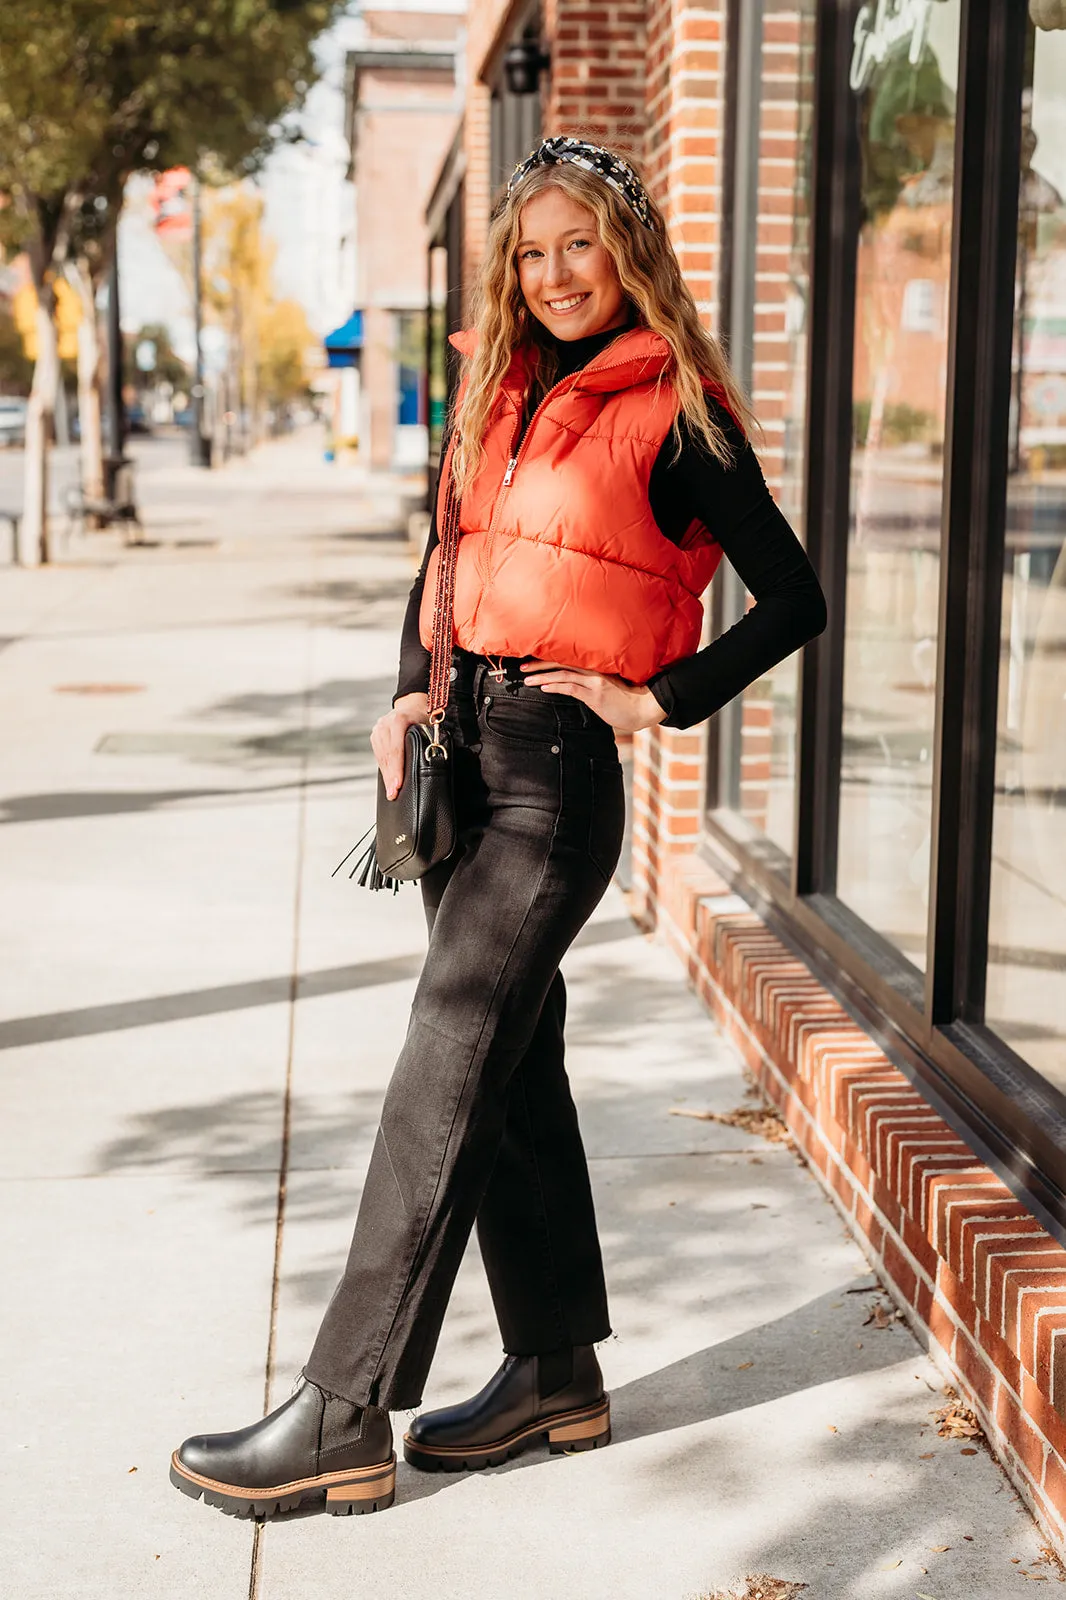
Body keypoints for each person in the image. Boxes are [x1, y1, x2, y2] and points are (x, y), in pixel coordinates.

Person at [169, 135, 827, 1519]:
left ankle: (344, 1412)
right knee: (509, 1075)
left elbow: (790, 598)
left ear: (627, 247)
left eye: (576, 243)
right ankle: (554, 1372)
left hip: (555, 781)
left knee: (442, 1062)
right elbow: (447, 554)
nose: (553, 273)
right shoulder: (502, 383)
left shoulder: (680, 411)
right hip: (454, 760)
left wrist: (658, 700)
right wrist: (403, 697)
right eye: (529, 253)